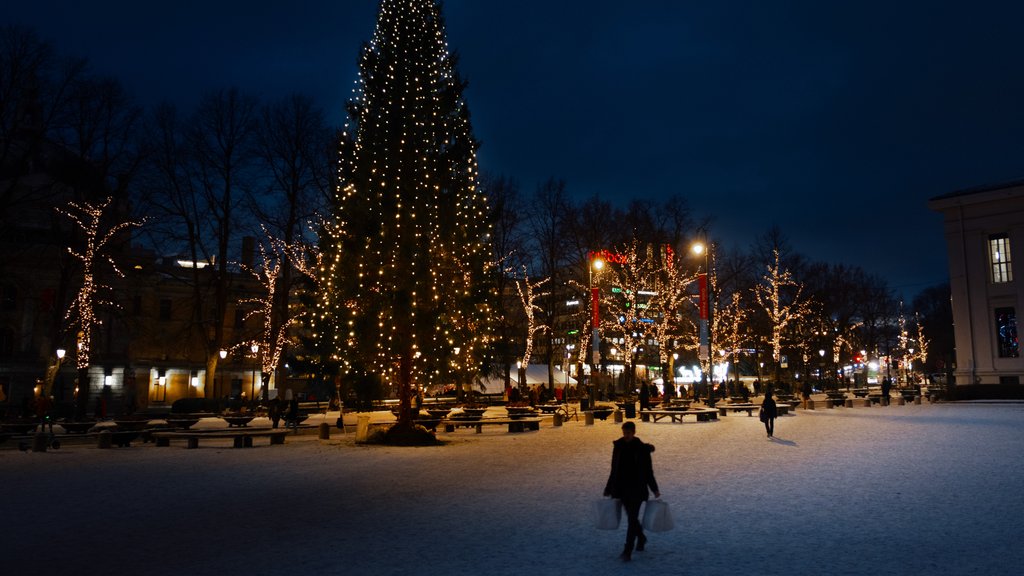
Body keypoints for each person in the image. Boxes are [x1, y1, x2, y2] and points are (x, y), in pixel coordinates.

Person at [603, 421, 660, 562]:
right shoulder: (618, 446)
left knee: (632, 519)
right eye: (624, 433)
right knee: (632, 518)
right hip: (621, 488)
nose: (626, 435)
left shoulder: (642, 449)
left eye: (628, 433)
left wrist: (654, 489)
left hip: (637, 488)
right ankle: (641, 537)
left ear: (634, 433)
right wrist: (609, 487)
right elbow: (614, 469)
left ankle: (627, 550)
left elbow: (648, 471)